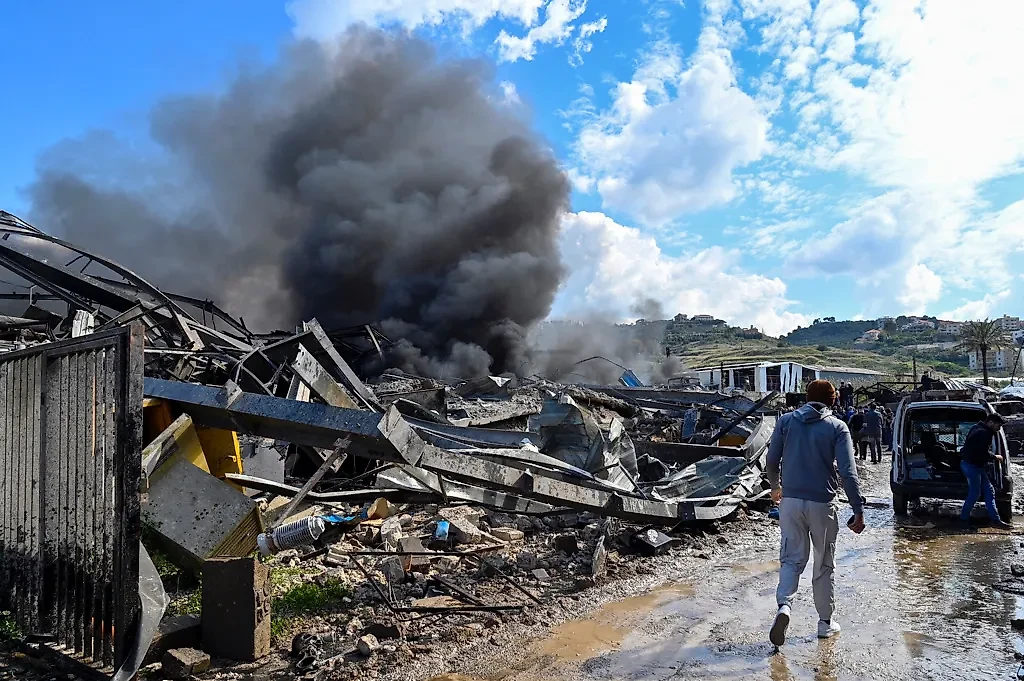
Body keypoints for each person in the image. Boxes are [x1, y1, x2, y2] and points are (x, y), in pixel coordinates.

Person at [766, 380, 865, 646]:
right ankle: (824, 623)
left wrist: (776, 487)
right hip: (822, 504)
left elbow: (772, 460)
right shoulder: (837, 427)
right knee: (823, 563)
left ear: (807, 397)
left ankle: (784, 607)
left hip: (790, 501)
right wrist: (858, 509)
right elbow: (847, 472)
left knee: (791, 559)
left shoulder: (786, 421)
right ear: (833, 400)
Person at [959, 413, 1012, 529]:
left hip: (973, 465)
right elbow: (982, 452)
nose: (999, 428)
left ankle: (995, 520)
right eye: (999, 425)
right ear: (991, 423)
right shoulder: (984, 433)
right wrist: (995, 457)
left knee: (989, 491)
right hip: (971, 466)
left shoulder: (977, 428)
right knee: (975, 494)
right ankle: (963, 520)